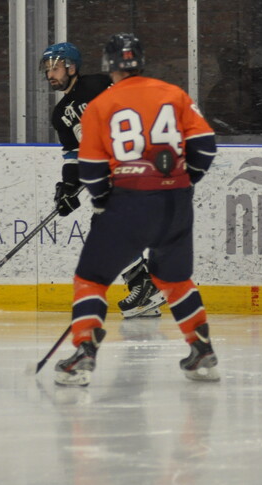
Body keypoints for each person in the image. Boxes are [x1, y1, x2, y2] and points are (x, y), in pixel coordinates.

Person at [54, 32, 219, 387]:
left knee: (92, 279)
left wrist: (102, 202)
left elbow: (91, 167)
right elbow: (205, 146)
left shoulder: (101, 104)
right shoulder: (173, 94)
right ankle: (201, 349)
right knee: (174, 280)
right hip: (176, 202)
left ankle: (84, 351)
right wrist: (184, 180)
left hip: (129, 201)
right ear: (141, 61)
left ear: (107, 65)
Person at [41, 42, 166, 320]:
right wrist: (68, 187)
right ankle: (143, 288)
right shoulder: (60, 114)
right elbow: (73, 154)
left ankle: (144, 285)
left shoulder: (97, 84)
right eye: (47, 69)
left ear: (71, 68)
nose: (50, 74)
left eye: (55, 68)